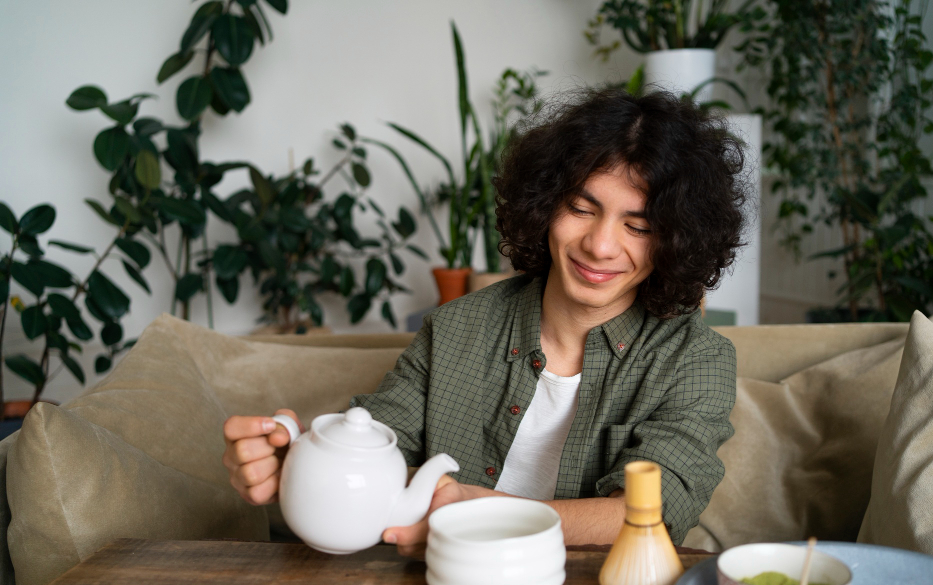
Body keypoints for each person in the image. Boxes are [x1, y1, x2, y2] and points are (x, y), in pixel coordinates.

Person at [223, 88, 747, 557]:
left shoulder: (696, 360)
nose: (600, 245)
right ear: (544, 206)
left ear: (676, 240)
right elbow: (378, 440)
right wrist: (291, 463)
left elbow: (655, 512)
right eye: (581, 209)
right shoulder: (455, 329)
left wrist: (488, 511)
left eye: (638, 225)